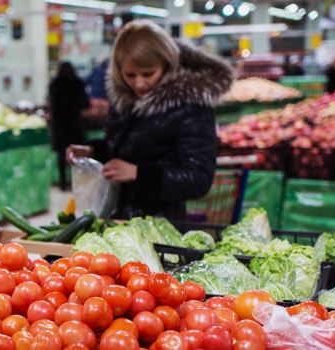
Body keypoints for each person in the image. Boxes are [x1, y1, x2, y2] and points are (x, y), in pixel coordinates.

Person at [66, 20, 233, 220]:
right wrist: (93, 151)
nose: (139, 83)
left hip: (161, 225)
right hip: (119, 219)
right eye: (130, 75)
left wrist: (139, 173)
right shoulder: (125, 99)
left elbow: (198, 180)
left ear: (167, 64)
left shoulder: (191, 106)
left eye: (148, 74)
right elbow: (129, 148)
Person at [49, 62, 90, 191]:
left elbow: (53, 106)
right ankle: (76, 182)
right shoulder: (78, 83)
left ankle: (62, 182)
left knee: (62, 154)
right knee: (77, 154)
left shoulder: (54, 85)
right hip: (74, 123)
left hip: (60, 124)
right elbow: (85, 103)